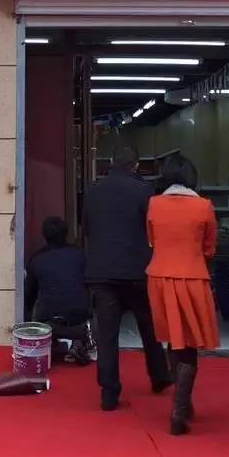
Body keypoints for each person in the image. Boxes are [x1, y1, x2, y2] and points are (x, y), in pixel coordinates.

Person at [82, 146, 171, 411]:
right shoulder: (144, 191)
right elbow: (152, 229)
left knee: (107, 334)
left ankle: (109, 392)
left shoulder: (93, 190)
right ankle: (159, 375)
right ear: (135, 165)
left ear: (111, 162)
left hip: (102, 270)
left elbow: (86, 227)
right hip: (136, 270)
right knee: (148, 326)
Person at [146, 155, 218, 435]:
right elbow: (209, 248)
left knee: (173, 340)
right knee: (189, 344)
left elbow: (151, 240)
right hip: (192, 277)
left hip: (159, 277)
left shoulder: (154, 204)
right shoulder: (204, 206)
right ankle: (180, 406)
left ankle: (183, 403)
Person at [24, 216, 93, 365]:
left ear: (44, 235)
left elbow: (29, 296)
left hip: (49, 323)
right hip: (80, 319)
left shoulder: (36, 259)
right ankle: (78, 340)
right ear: (66, 233)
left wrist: (28, 321)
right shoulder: (80, 255)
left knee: (39, 305)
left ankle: (54, 343)